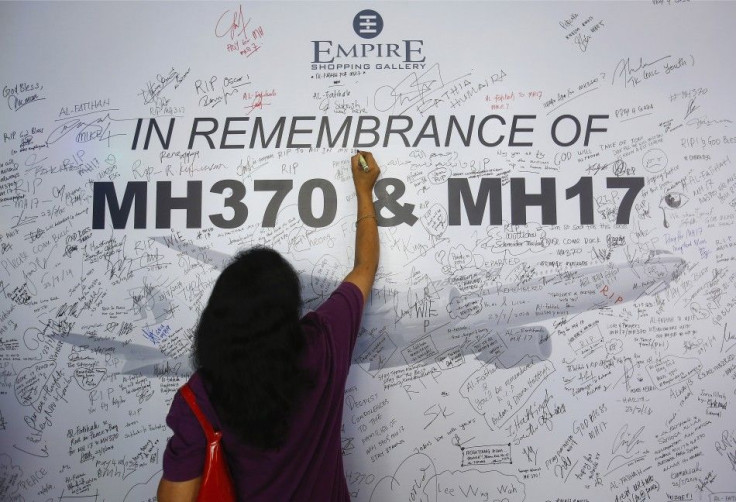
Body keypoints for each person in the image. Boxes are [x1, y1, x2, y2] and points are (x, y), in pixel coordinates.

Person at [157, 151, 380, 501]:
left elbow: (176, 499)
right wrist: (364, 190)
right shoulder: (322, 343)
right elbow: (364, 267)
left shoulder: (200, 397)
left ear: (217, 319)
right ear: (289, 310)